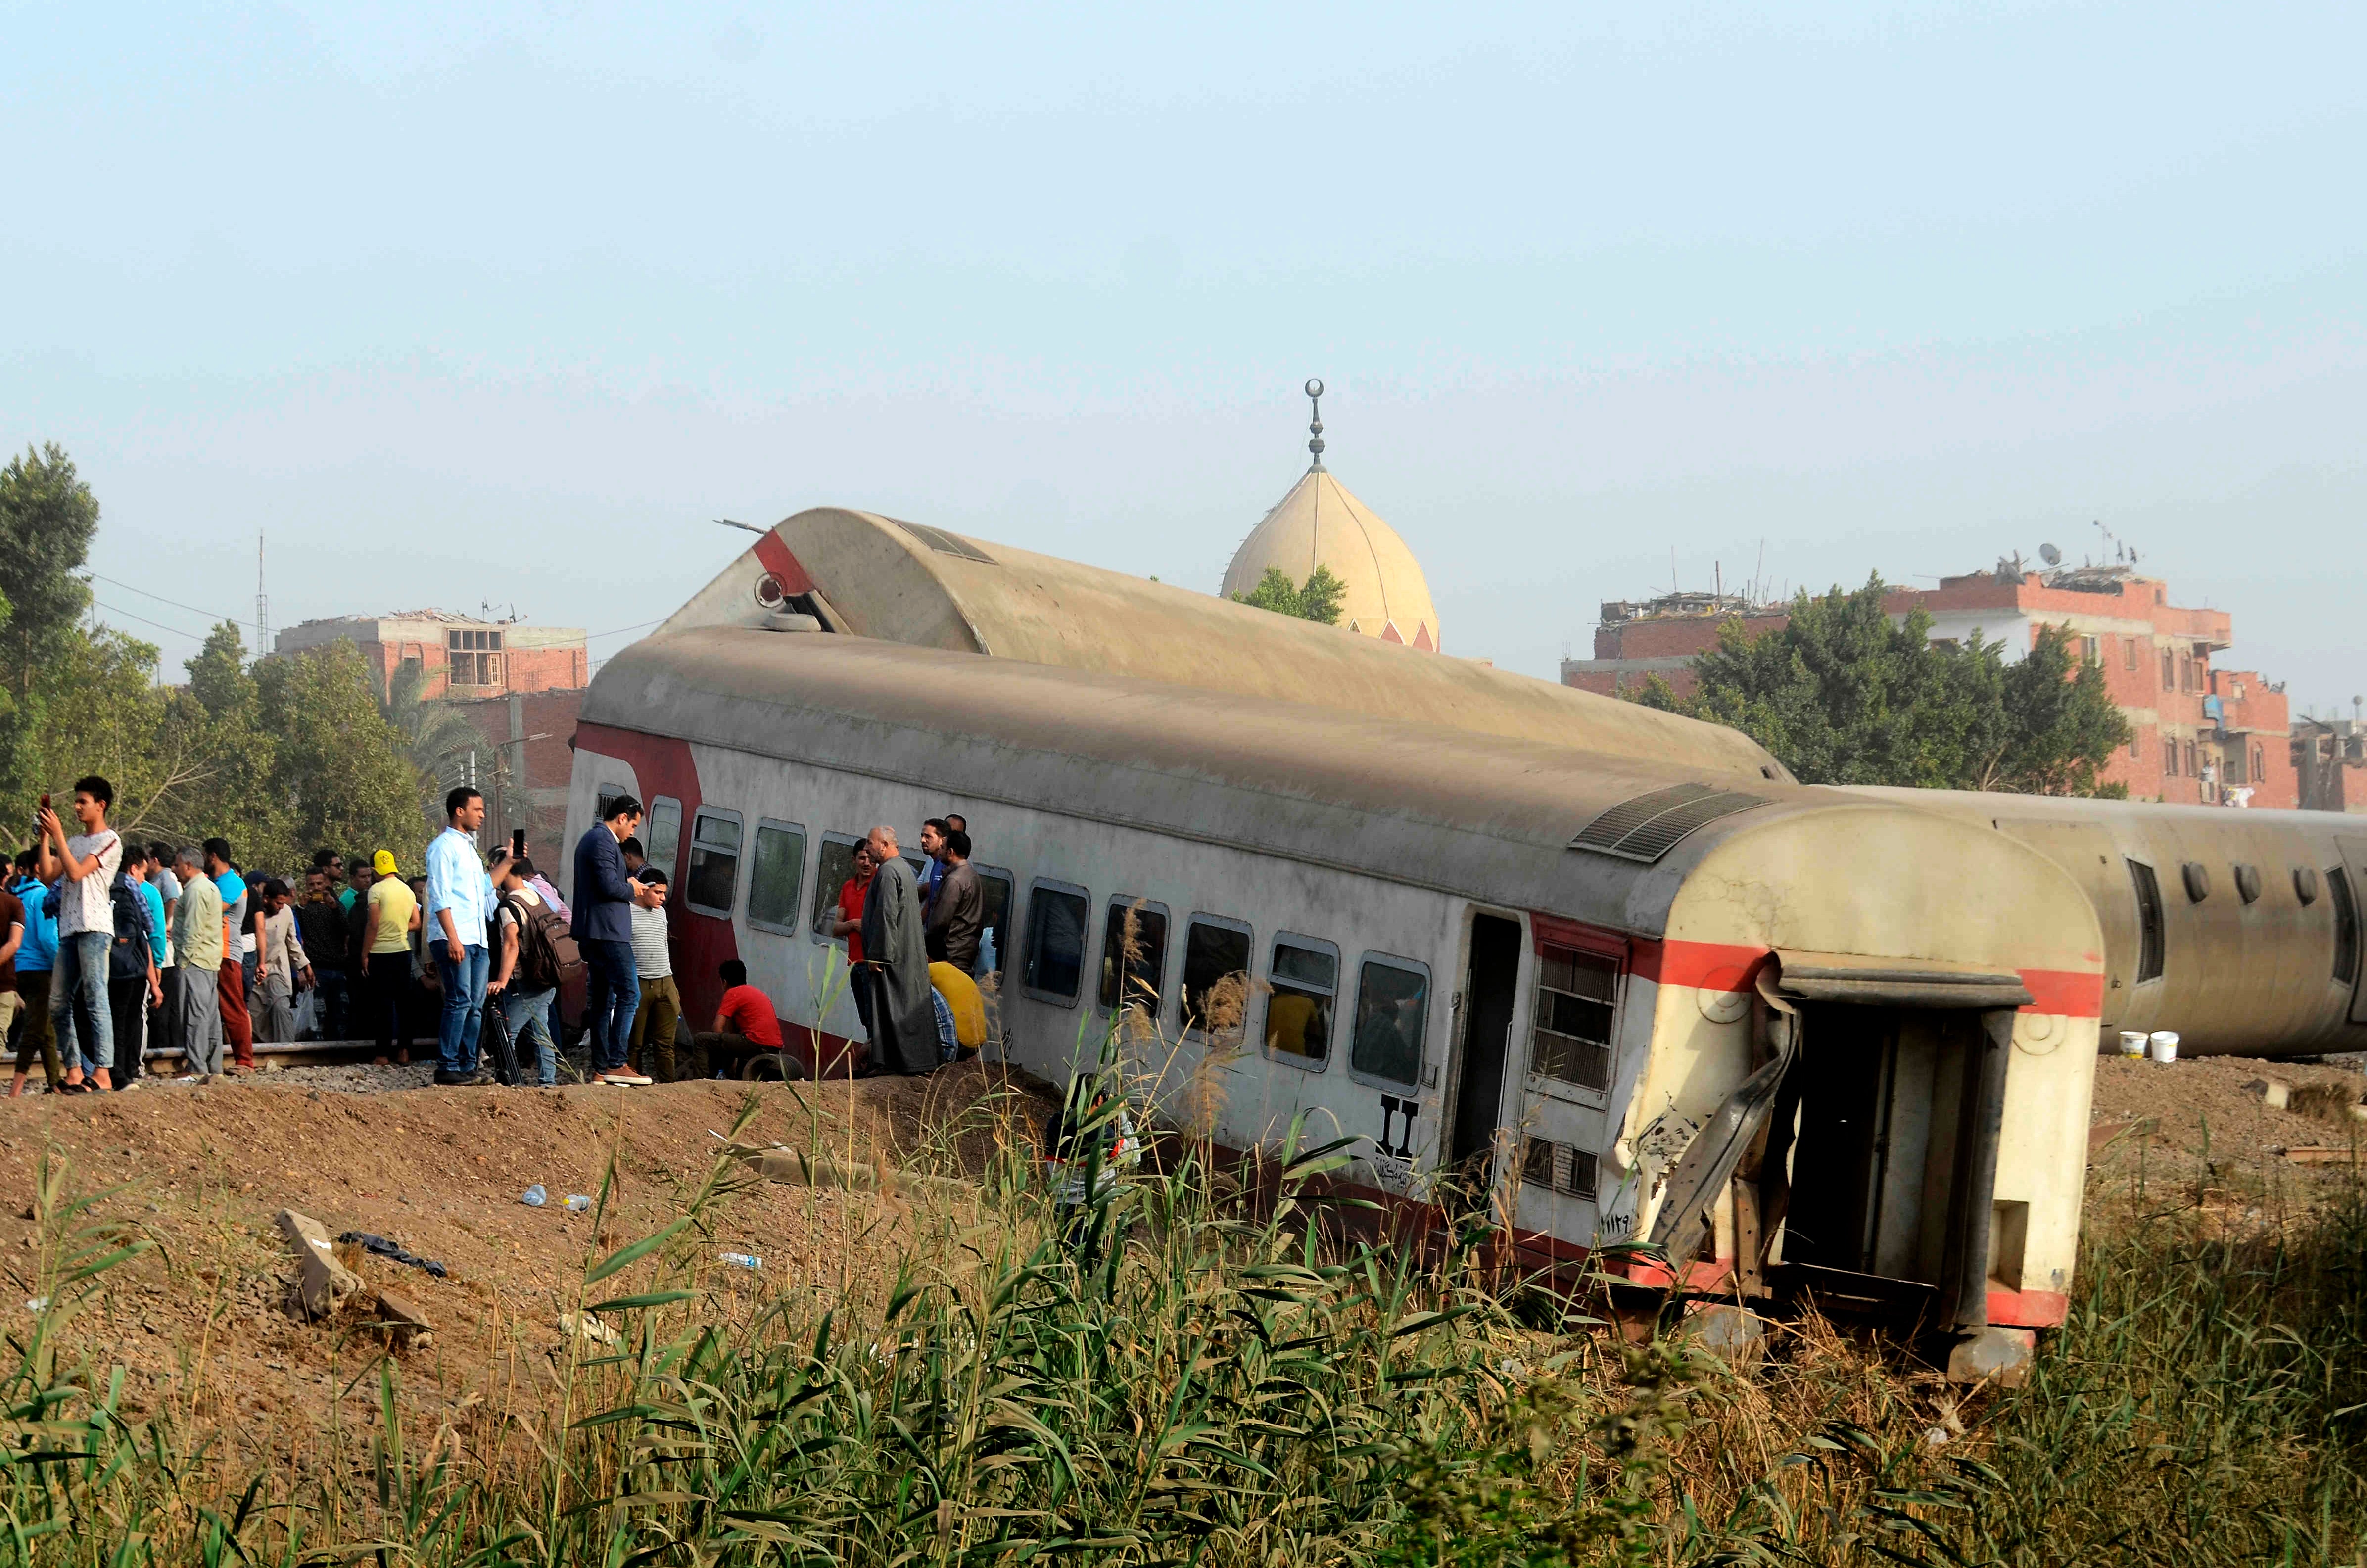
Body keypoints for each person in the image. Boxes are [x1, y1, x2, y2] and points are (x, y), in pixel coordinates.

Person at [38, 776, 125, 1093]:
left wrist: (59, 834)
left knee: (95, 999)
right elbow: (49, 876)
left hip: (96, 928)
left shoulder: (111, 840)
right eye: (76, 801)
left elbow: (76, 872)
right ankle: (74, 1072)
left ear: (100, 805)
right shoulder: (73, 841)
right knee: (58, 1003)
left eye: (82, 802)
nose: (76, 807)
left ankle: (102, 1073)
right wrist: (47, 837)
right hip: (70, 928)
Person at [572, 795, 663, 1087]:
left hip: (597, 931)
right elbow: (609, 885)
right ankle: (616, 1062)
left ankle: (600, 1068)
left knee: (602, 1001)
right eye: (634, 825)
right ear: (622, 818)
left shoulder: (596, 840)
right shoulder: (602, 841)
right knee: (630, 994)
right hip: (606, 931)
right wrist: (632, 887)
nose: (633, 831)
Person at [426, 787, 498, 1086]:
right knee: (460, 1000)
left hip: (477, 937)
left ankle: (469, 1065)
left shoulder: (468, 848)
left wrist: (508, 862)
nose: (482, 815)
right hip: (455, 936)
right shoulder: (444, 847)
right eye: (477, 809)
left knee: (476, 1003)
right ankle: (448, 1065)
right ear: (460, 811)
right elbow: (440, 897)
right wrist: (453, 938)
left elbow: (483, 887)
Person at [856, 825, 937, 1076]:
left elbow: (886, 916)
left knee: (889, 1007)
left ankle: (889, 1062)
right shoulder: (902, 869)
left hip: (891, 959)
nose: (867, 849)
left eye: (871, 843)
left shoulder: (889, 873)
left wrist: (878, 956)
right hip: (901, 955)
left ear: (884, 845)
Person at [488, 855, 561, 1087]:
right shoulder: (537, 897)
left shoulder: (510, 905)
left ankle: (507, 1081)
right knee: (542, 1033)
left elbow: (511, 943)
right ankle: (548, 1082)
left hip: (529, 978)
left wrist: (501, 979)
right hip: (549, 975)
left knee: (507, 1033)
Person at [104, 844, 160, 1086]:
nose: (143, 879)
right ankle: (126, 1071)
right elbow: (149, 928)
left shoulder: (104, 885)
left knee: (113, 1019)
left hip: (109, 962)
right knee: (131, 1019)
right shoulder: (133, 890)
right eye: (143, 873)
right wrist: (155, 977)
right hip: (132, 965)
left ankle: (113, 1069)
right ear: (134, 868)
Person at [169, 848, 225, 1079]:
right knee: (210, 1016)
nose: (175, 869)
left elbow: (193, 929)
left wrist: (183, 961)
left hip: (196, 961)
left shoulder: (195, 891)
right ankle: (214, 1067)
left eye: (178, 865)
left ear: (189, 866)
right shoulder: (209, 887)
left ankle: (196, 1066)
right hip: (209, 960)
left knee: (195, 1015)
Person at [7, 850, 59, 1094]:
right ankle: (15, 1090)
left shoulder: (15, 894)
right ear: (39, 867)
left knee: (45, 1028)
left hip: (20, 969)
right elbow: (48, 938)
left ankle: (55, 1082)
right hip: (41, 970)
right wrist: (62, 965)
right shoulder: (42, 896)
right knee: (35, 1030)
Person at [361, 851, 419, 1065]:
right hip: (403, 952)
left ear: (375, 871)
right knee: (404, 1004)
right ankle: (405, 1051)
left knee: (383, 1005)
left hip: (380, 953)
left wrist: (365, 954)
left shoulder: (375, 890)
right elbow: (417, 922)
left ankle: (382, 1054)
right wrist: (398, 928)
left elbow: (373, 924)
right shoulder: (407, 890)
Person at [202, 839, 253, 1074]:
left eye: (204, 855)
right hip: (213, 952)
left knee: (233, 1007)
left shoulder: (232, 883)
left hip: (227, 954)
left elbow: (209, 912)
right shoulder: (215, 882)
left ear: (212, 856)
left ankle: (245, 1061)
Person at [692, 959, 790, 1078]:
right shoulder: (755, 992)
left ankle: (701, 1080)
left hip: (756, 1043)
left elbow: (717, 1028)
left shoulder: (733, 993)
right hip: (775, 1045)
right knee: (726, 1041)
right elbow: (732, 1035)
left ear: (725, 982)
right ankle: (728, 1076)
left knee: (701, 1039)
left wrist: (721, 1053)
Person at [627, 866, 681, 1080]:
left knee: (666, 1044)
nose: (663, 898)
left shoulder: (662, 914)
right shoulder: (627, 912)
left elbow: (663, 947)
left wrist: (673, 987)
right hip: (639, 983)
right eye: (657, 892)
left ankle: (669, 1086)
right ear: (644, 890)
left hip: (665, 982)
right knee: (635, 1043)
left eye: (664, 893)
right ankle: (631, 1084)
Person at [253, 879, 309, 1045]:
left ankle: (287, 1050)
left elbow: (293, 942)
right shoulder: (253, 911)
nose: (281, 907)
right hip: (253, 970)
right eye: (278, 903)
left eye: (284, 903)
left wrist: (305, 966)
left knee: (281, 1007)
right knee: (256, 1016)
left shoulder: (286, 913)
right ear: (266, 899)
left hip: (276, 968)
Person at [829, 839, 877, 1036]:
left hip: (872, 962)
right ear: (854, 860)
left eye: (871, 859)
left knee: (874, 1018)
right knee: (865, 1019)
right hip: (854, 963)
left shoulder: (878, 885)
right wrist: (852, 925)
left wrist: (862, 926)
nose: (867, 863)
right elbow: (836, 928)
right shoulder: (847, 887)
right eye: (862, 858)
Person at [295, 868, 348, 1040]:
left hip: (338, 967)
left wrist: (334, 907)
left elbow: (347, 928)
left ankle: (339, 1051)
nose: (316, 888)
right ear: (306, 885)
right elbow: (294, 933)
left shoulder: (334, 904)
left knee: (341, 1014)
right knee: (317, 1016)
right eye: (311, 885)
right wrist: (300, 907)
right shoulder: (302, 908)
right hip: (316, 968)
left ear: (325, 883)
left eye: (319, 884)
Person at [923, 828, 984, 972]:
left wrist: (925, 942)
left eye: (942, 848)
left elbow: (940, 922)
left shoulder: (955, 881)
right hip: (965, 953)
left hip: (951, 955)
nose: (939, 851)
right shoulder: (972, 876)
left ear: (950, 852)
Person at [142, 842, 180, 1066]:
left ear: (155, 860)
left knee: (162, 1008)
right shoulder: (159, 880)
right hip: (162, 954)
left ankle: (164, 1052)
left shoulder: (165, 878)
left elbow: (173, 900)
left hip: (164, 956)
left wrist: (166, 924)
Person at [917, 818, 950, 912]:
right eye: (922, 836)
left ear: (943, 840)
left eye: (928, 837)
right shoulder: (933, 862)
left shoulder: (945, 865)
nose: (923, 840)